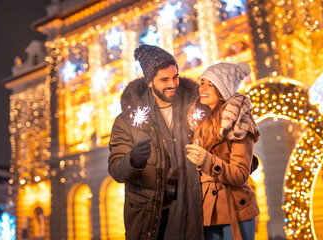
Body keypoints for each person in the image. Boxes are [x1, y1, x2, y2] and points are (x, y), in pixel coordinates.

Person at [108, 44, 204, 240]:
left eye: (175, 77)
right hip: (152, 216)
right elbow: (116, 170)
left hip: (194, 209)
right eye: (164, 79)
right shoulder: (127, 120)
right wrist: (133, 160)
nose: (172, 84)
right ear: (150, 81)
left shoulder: (196, 107)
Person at [186, 62, 260, 240]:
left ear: (223, 89)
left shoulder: (239, 124)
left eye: (210, 84)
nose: (202, 88)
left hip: (235, 208)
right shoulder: (200, 124)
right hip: (207, 211)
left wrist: (207, 161)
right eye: (202, 82)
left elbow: (240, 175)